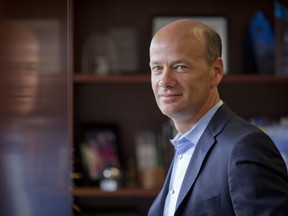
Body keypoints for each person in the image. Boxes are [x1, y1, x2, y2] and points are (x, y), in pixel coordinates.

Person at [148, 19, 288, 216]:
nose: (164, 81)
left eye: (180, 67)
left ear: (216, 71)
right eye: (157, 68)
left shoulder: (245, 147)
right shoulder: (184, 146)